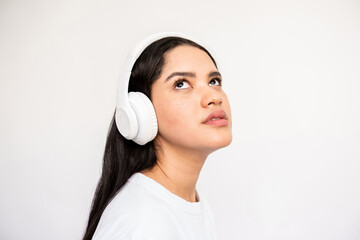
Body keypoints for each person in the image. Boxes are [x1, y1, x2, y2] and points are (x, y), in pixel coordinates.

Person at [82, 32, 232, 240]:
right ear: (142, 112)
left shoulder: (192, 202)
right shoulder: (139, 224)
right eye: (181, 84)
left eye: (214, 81)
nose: (214, 97)